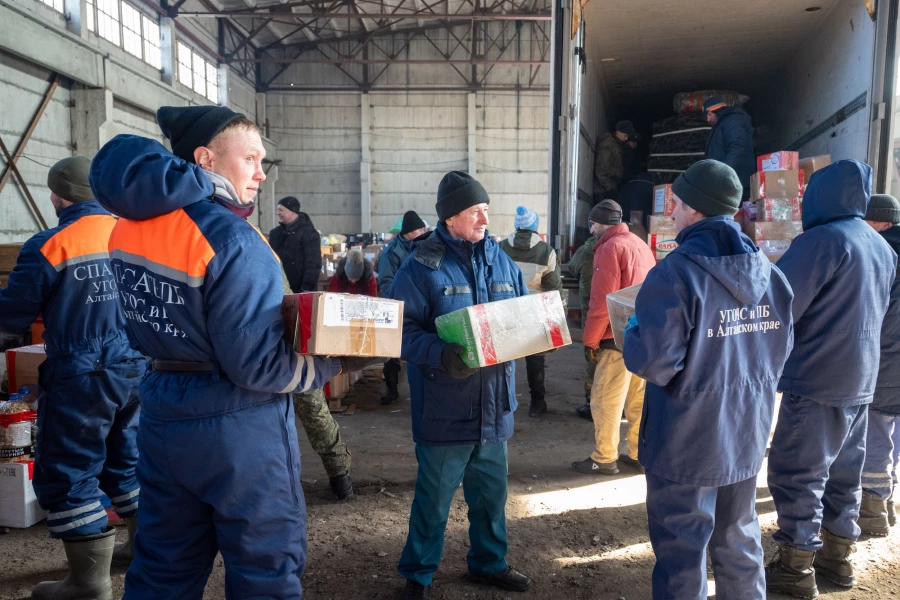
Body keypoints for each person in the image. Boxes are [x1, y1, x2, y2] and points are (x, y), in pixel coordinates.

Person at [89, 105, 366, 598]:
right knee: (264, 568)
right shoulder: (234, 239)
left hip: (161, 412)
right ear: (206, 160)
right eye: (251, 159)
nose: (261, 173)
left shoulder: (126, 231)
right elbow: (257, 364)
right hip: (238, 426)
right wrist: (338, 358)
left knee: (163, 566)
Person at [623, 160, 794, 600]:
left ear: (694, 210)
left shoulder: (676, 273)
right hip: (744, 431)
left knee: (683, 548)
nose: (673, 212)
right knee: (738, 538)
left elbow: (656, 362)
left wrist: (633, 331)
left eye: (677, 204)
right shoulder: (771, 274)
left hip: (687, 436)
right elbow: (780, 350)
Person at [0, 156, 146, 599]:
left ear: (57, 196)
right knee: (128, 457)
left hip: (83, 373)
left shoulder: (50, 244)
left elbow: (13, 317)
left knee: (68, 468)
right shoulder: (136, 234)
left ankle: (88, 583)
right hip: (139, 368)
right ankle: (141, 549)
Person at [391, 171, 531, 600]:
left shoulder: (503, 260)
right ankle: (417, 575)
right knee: (434, 500)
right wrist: (440, 353)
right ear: (451, 217)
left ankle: (489, 563)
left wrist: (537, 333)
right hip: (445, 405)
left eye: (486, 209)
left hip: (494, 404)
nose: (485, 218)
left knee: (491, 497)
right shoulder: (420, 267)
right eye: (476, 210)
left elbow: (521, 314)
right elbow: (398, 330)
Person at [765, 160, 896, 598]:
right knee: (844, 472)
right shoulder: (881, 247)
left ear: (819, 197)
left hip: (817, 379)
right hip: (863, 379)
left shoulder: (821, 241)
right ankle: (837, 561)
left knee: (799, 472)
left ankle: (795, 568)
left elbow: (779, 306)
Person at [572, 200, 655, 476]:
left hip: (614, 339)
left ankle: (604, 457)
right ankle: (638, 453)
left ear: (599, 223)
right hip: (641, 336)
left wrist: (590, 340)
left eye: (592, 223)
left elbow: (601, 301)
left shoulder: (609, 248)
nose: (591, 229)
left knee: (605, 399)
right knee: (637, 400)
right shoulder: (640, 245)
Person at [858, 194, 900, 536]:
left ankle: (872, 510)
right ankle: (886, 502)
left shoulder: (880, 254)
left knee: (877, 430)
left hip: (887, 359)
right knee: (894, 431)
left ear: (879, 222)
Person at [499, 206, 564, 416]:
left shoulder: (500, 248)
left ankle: (499, 402)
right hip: (533, 310)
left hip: (505, 308)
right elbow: (552, 286)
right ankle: (537, 404)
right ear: (535, 226)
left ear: (517, 225)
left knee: (502, 357)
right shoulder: (546, 251)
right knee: (535, 359)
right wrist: (557, 317)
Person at [378, 210, 429, 405]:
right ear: (409, 232)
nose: (424, 231)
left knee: (422, 347)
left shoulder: (426, 246)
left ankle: (424, 388)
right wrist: (404, 302)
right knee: (391, 350)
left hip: (423, 306)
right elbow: (387, 282)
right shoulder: (391, 252)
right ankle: (391, 389)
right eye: (420, 229)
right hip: (397, 307)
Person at [568, 229, 600, 421]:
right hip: (617, 312)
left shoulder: (585, 251)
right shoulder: (625, 246)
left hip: (591, 310)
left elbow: (572, 268)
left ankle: (591, 404)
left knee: (593, 355)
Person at [703, 96, 755, 200]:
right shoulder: (723, 123)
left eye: (709, 114)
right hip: (727, 181)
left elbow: (736, 148)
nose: (708, 119)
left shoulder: (733, 121)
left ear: (717, 110)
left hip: (736, 182)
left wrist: (723, 174)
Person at [269, 195, 322, 293]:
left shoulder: (309, 234)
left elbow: (313, 264)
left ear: (292, 211)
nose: (277, 213)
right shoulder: (275, 234)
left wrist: (306, 289)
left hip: (301, 290)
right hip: (278, 288)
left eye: (281, 210)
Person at [594, 120, 637, 203]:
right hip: (602, 192)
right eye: (625, 135)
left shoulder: (615, 145)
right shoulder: (608, 145)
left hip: (606, 190)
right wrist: (609, 189)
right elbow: (601, 170)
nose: (626, 139)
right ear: (618, 132)